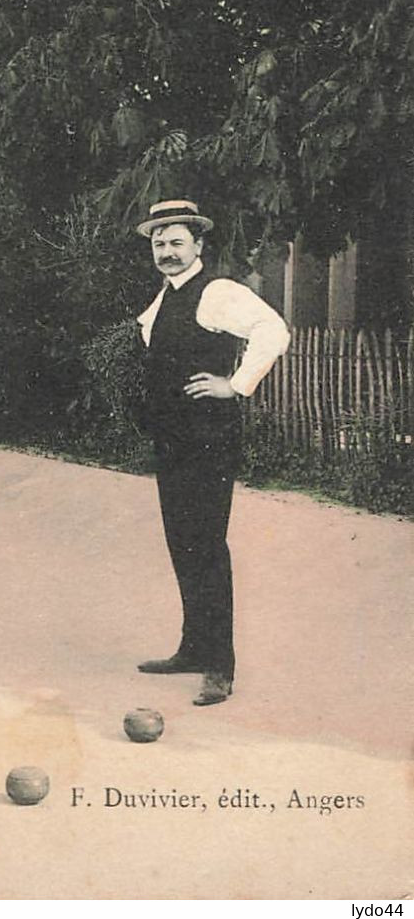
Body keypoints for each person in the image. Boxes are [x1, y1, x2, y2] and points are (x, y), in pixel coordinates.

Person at [133, 199, 290, 707]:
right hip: (173, 439)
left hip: (209, 438)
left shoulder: (218, 292)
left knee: (207, 546)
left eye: (177, 241)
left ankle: (220, 667)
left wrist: (236, 385)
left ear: (198, 245)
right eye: (159, 243)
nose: (167, 251)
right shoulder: (164, 298)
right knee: (183, 543)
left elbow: (274, 332)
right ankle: (194, 648)